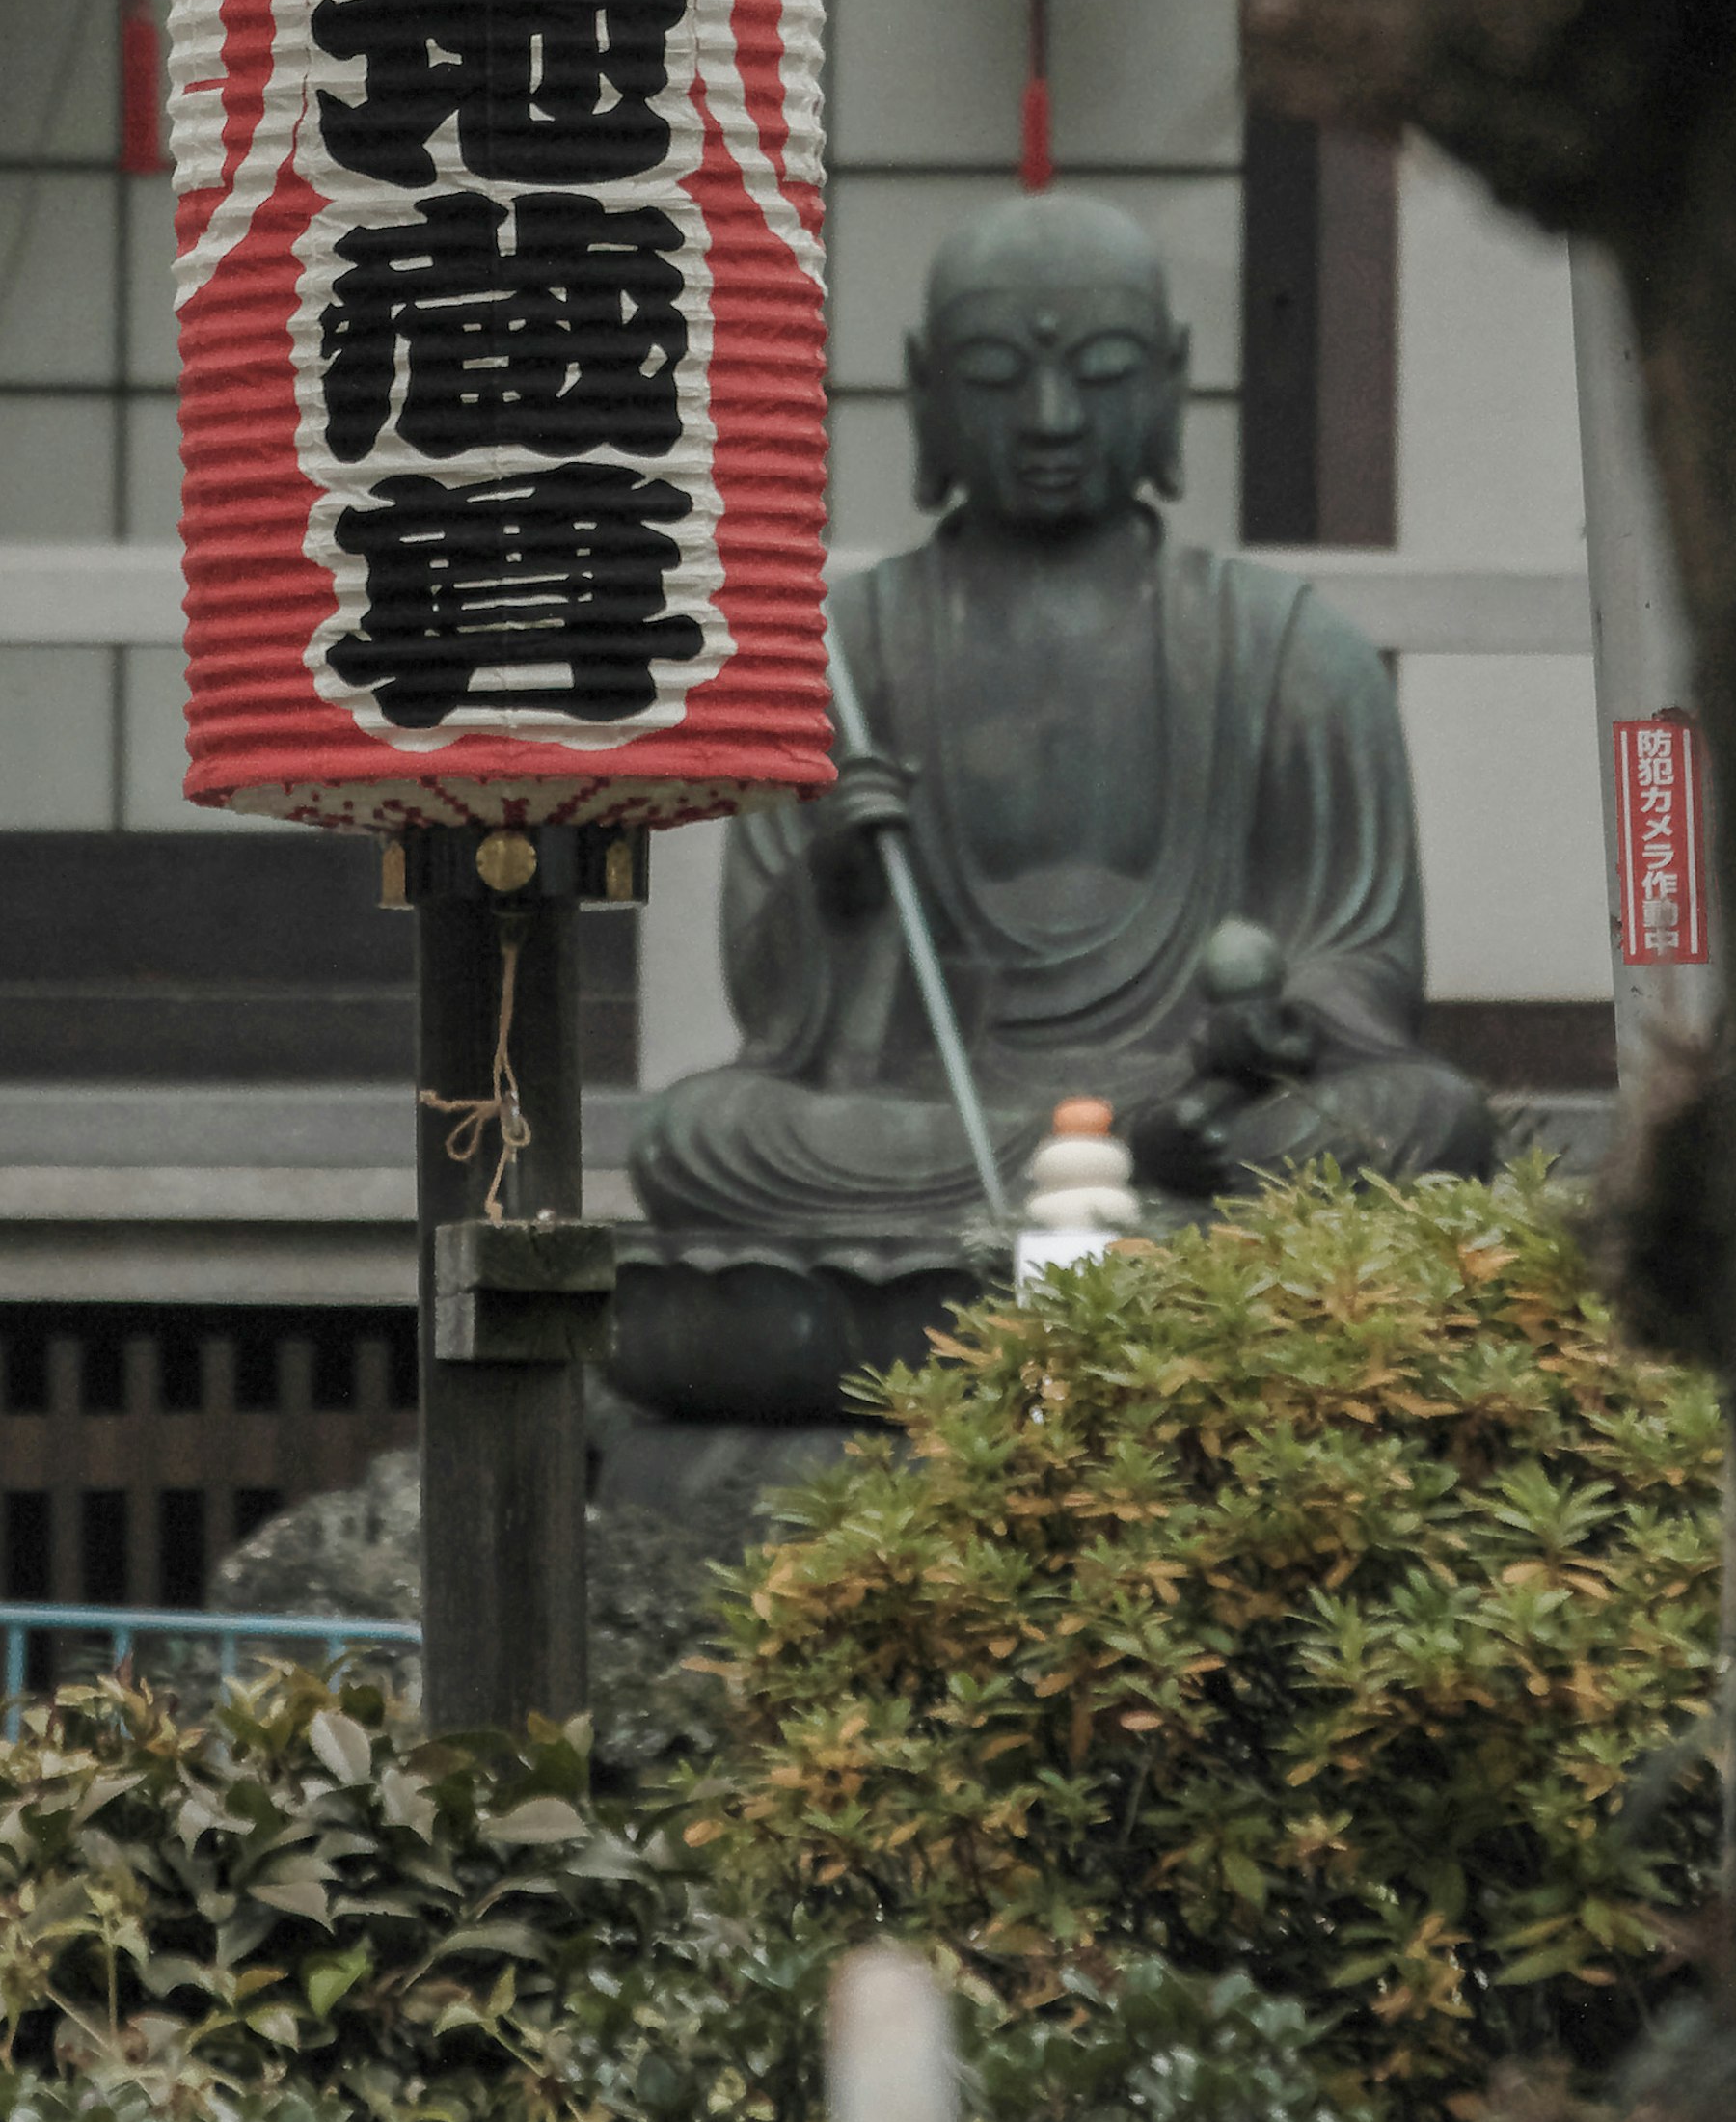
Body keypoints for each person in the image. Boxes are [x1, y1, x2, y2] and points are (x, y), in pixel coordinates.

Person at [628, 187, 1493, 1312]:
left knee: (1425, 1121)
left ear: (1173, 380)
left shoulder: (1289, 650)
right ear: (925, 388)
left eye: (1103, 369)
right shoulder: (842, 650)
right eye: (994, 377)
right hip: (935, 1113)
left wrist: (1271, 1027)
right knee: (701, 1137)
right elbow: (775, 1024)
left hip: (1207, 1100)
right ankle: (1125, 1163)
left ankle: (1109, 1173)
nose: (1049, 417)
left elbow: (1362, 957)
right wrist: (834, 892)